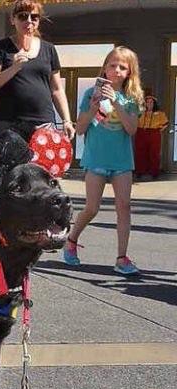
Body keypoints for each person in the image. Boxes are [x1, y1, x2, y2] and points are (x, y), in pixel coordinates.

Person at [63, 46, 143, 275]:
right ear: (105, 68)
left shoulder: (132, 98)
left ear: (129, 72)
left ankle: (121, 257)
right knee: (92, 207)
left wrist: (116, 102)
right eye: (112, 65)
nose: (116, 70)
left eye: (122, 67)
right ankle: (71, 240)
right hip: (96, 157)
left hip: (121, 161)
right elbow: (80, 129)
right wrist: (92, 108)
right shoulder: (91, 93)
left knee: (124, 207)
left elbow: (131, 129)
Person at [0, 0, 75, 142]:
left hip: (42, 122)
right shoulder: (0, 47)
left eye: (34, 17)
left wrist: (66, 120)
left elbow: (57, 89)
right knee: (9, 164)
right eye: (23, 16)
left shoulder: (48, 49)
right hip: (8, 122)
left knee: (41, 164)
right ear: (13, 20)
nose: (29, 21)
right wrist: (14, 68)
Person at [134, 93, 168, 180]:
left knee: (154, 153)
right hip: (141, 132)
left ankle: (154, 172)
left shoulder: (160, 113)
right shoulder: (140, 112)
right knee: (140, 152)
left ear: (154, 104)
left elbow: (165, 124)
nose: (149, 104)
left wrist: (157, 130)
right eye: (147, 102)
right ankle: (140, 171)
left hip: (154, 133)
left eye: (151, 102)